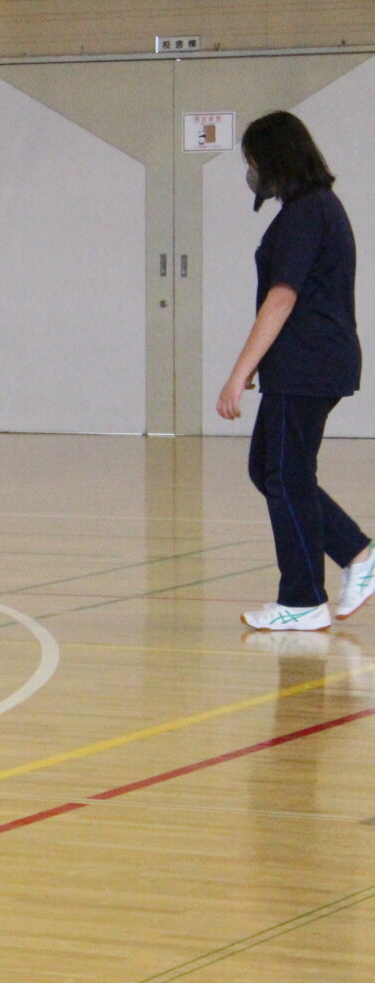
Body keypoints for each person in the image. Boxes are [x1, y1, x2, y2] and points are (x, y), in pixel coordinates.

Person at [218, 111, 371, 633]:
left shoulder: (309, 213)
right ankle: (357, 555)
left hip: (309, 362)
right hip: (308, 361)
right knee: (272, 469)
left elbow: (282, 299)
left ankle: (303, 598)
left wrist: (240, 372)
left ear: (276, 159)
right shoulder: (311, 210)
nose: (251, 171)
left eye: (253, 161)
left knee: (285, 474)